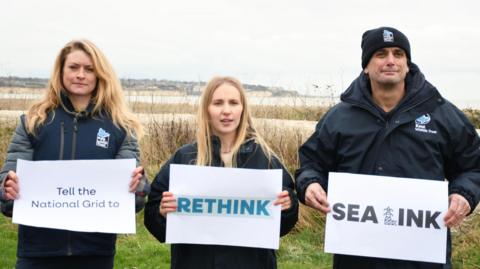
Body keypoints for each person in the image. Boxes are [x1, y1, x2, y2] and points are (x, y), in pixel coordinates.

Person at [295, 26, 480, 269]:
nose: (391, 61)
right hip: (357, 257)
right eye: (381, 54)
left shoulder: (440, 113)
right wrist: (310, 185)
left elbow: (473, 166)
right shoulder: (339, 118)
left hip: (423, 258)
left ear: (407, 62)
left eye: (398, 54)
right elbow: (311, 164)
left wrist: (464, 194)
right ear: (366, 65)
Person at [0, 39, 150, 269]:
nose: (81, 75)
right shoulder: (33, 122)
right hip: (37, 253)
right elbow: (7, 188)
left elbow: (133, 200)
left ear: (100, 75)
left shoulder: (122, 127)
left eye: (89, 69)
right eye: (73, 67)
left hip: (95, 252)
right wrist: (7, 189)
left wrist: (138, 188)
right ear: (60, 72)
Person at [144, 76, 298, 269]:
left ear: (243, 109)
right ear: (207, 109)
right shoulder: (184, 158)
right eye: (218, 103)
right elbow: (152, 215)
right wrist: (162, 213)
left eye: (233, 103)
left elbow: (283, 225)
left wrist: (288, 206)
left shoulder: (265, 158)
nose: (226, 110)